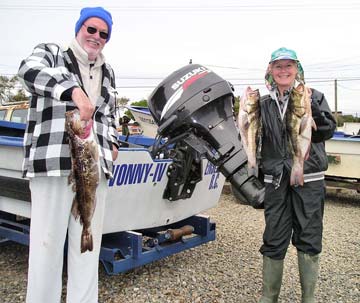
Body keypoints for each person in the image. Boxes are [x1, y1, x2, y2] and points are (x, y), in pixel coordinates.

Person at [17, 7, 119, 303]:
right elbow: (28, 71)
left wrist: (112, 142)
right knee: (46, 249)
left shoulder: (108, 72)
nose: (96, 37)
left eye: (104, 33)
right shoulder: (51, 53)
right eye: (91, 29)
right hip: (53, 166)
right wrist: (73, 91)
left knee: (87, 251)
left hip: (94, 170)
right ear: (79, 28)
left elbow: (109, 116)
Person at [257, 47, 336, 303]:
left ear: (297, 69)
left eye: (288, 66)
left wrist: (311, 104)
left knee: (309, 236)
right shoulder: (262, 102)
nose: (283, 71)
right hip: (277, 181)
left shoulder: (315, 96)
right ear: (270, 70)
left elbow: (325, 131)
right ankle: (269, 298)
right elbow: (256, 138)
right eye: (278, 66)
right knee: (273, 238)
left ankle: (309, 298)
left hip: (309, 179)